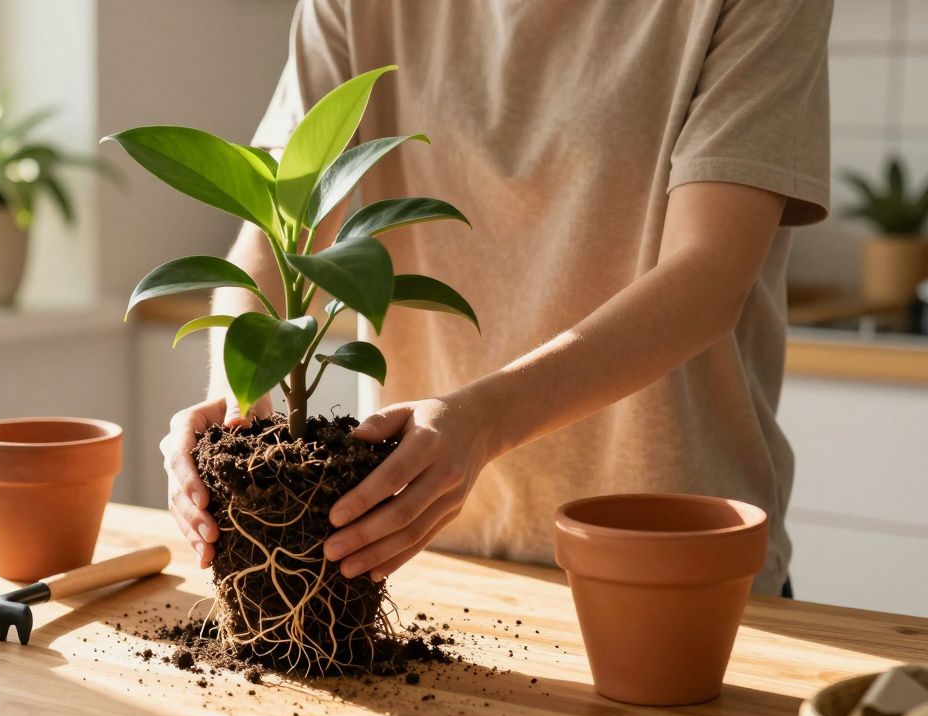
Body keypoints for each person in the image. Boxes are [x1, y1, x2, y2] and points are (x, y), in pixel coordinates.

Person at [161, 0, 831, 597]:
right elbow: (276, 233)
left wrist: (482, 421)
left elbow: (708, 275)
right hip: (426, 565)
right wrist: (236, 402)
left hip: (669, 572)